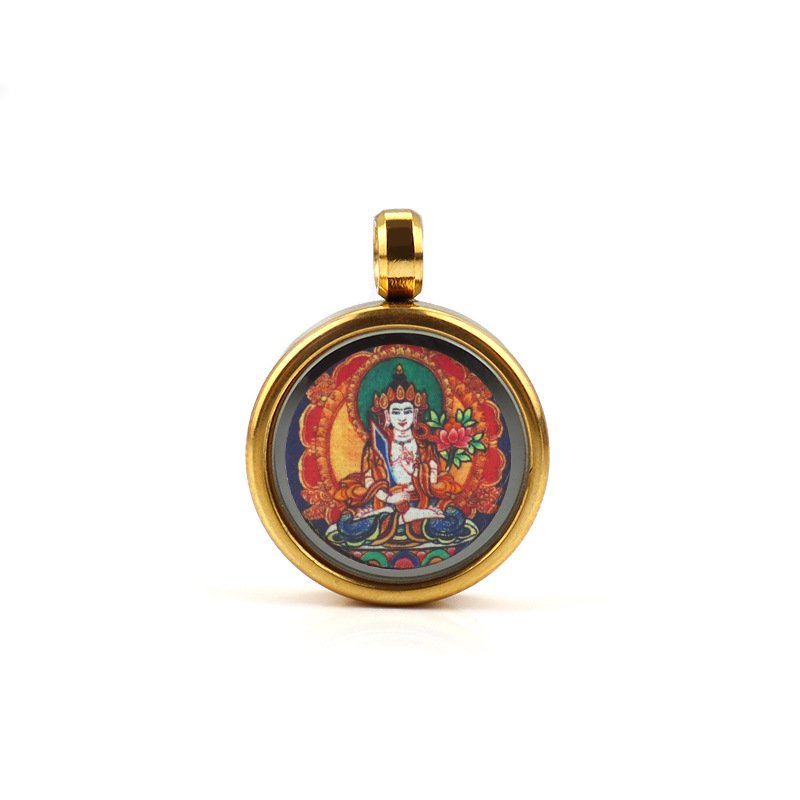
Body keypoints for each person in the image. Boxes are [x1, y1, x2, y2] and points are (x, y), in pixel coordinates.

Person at [331, 364, 469, 547]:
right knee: (347, 525)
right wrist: (390, 498)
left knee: (455, 519)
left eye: (407, 411)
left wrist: (421, 479)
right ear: (387, 415)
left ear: (416, 414)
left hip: (422, 501)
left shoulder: (425, 446)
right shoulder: (375, 446)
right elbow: (370, 481)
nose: (402, 418)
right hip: (385, 504)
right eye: (396, 412)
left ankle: (408, 517)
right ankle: (403, 518)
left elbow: (433, 481)